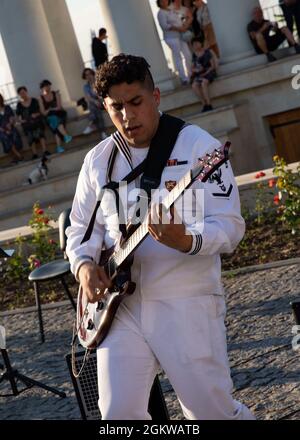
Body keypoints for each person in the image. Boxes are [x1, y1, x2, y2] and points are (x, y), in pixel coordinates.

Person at [66, 53, 255, 420]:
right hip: (121, 310)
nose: (127, 116)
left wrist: (186, 239)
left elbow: (230, 226)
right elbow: (80, 229)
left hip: (186, 301)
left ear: (155, 97)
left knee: (210, 413)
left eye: (135, 102)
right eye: (116, 107)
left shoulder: (200, 148)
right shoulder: (98, 161)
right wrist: (84, 267)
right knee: (118, 415)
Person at [157, 0, 192, 84]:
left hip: (181, 36)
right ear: (159, 2)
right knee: (178, 57)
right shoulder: (161, 13)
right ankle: (184, 78)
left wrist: (185, 25)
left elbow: (180, 16)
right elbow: (165, 26)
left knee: (188, 55)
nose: (164, 2)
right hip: (171, 38)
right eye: (162, 1)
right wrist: (179, 29)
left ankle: (191, 74)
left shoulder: (171, 9)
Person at [39, 79, 72, 153]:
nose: (47, 87)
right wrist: (50, 110)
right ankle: (65, 135)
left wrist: (50, 109)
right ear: (42, 88)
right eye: (45, 86)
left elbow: (59, 107)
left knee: (56, 127)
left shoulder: (56, 94)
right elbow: (43, 112)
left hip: (59, 113)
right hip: (49, 117)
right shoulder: (41, 98)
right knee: (55, 122)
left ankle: (59, 147)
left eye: (48, 85)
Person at [16, 86, 49, 159]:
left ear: (26, 92)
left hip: (36, 119)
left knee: (39, 128)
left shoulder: (34, 100)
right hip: (27, 122)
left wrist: (36, 114)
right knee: (28, 132)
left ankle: (45, 150)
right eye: (21, 93)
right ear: (19, 95)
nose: (23, 94)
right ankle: (34, 154)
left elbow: (40, 111)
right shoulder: (19, 105)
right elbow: (18, 117)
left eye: (23, 92)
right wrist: (21, 120)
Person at [191, 37, 217, 112]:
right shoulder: (194, 55)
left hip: (209, 72)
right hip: (199, 74)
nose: (195, 45)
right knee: (194, 85)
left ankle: (209, 104)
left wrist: (205, 72)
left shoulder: (207, 52)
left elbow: (212, 66)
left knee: (204, 83)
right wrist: (196, 70)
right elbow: (192, 67)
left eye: (197, 43)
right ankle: (204, 104)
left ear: (201, 43)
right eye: (194, 44)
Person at [81, 68, 107, 139]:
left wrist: (98, 100)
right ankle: (103, 132)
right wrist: (95, 101)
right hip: (96, 104)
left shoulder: (99, 82)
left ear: (93, 74)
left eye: (90, 74)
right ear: (85, 77)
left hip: (103, 102)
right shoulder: (86, 87)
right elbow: (88, 97)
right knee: (95, 109)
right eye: (86, 75)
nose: (89, 76)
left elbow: (103, 95)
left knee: (93, 106)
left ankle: (92, 125)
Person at [0, 93, 23, 163]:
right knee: (5, 137)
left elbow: (12, 117)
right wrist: (4, 130)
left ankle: (15, 158)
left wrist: (10, 124)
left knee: (14, 134)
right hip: (2, 130)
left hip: (10, 126)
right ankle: (19, 156)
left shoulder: (7, 107)